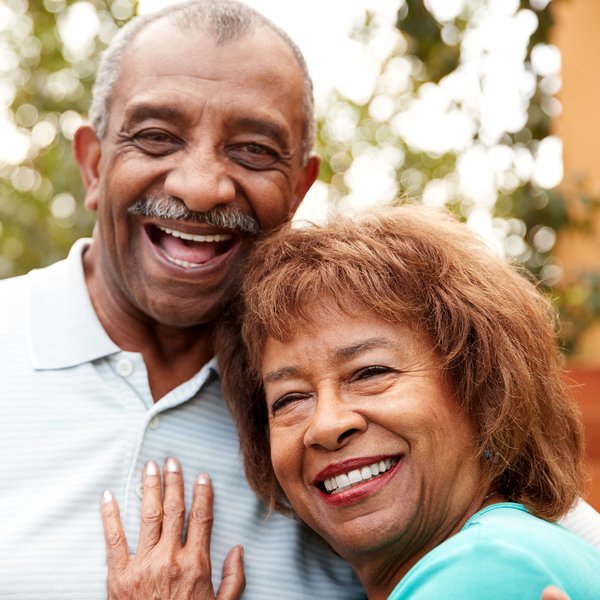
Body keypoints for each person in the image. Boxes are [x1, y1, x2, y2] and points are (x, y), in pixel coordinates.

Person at [0, 1, 364, 598]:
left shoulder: (346, 409)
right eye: (156, 138)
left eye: (252, 150)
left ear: (299, 189)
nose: (199, 189)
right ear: (93, 166)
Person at [211, 204, 600, 598]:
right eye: (290, 398)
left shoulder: (483, 568)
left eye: (370, 373)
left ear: (482, 392)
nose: (326, 425)